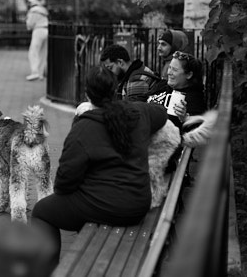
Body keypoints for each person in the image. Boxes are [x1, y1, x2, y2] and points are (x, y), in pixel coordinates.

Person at [30, 66, 168, 264]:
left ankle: (48, 270)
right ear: (116, 90)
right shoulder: (139, 112)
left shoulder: (83, 127)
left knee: (41, 211)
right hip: (138, 204)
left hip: (103, 208)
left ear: (87, 95)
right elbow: (161, 114)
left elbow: (63, 184)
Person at [147, 50, 206, 122]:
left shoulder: (194, 102)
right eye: (169, 67)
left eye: (174, 70)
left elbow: (195, 130)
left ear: (189, 75)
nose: (169, 73)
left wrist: (185, 118)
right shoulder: (163, 85)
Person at [25, 0, 48, 81]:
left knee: (33, 52)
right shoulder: (43, 11)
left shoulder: (32, 11)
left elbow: (30, 24)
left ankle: (35, 72)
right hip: (46, 30)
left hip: (38, 31)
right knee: (43, 53)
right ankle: (40, 74)